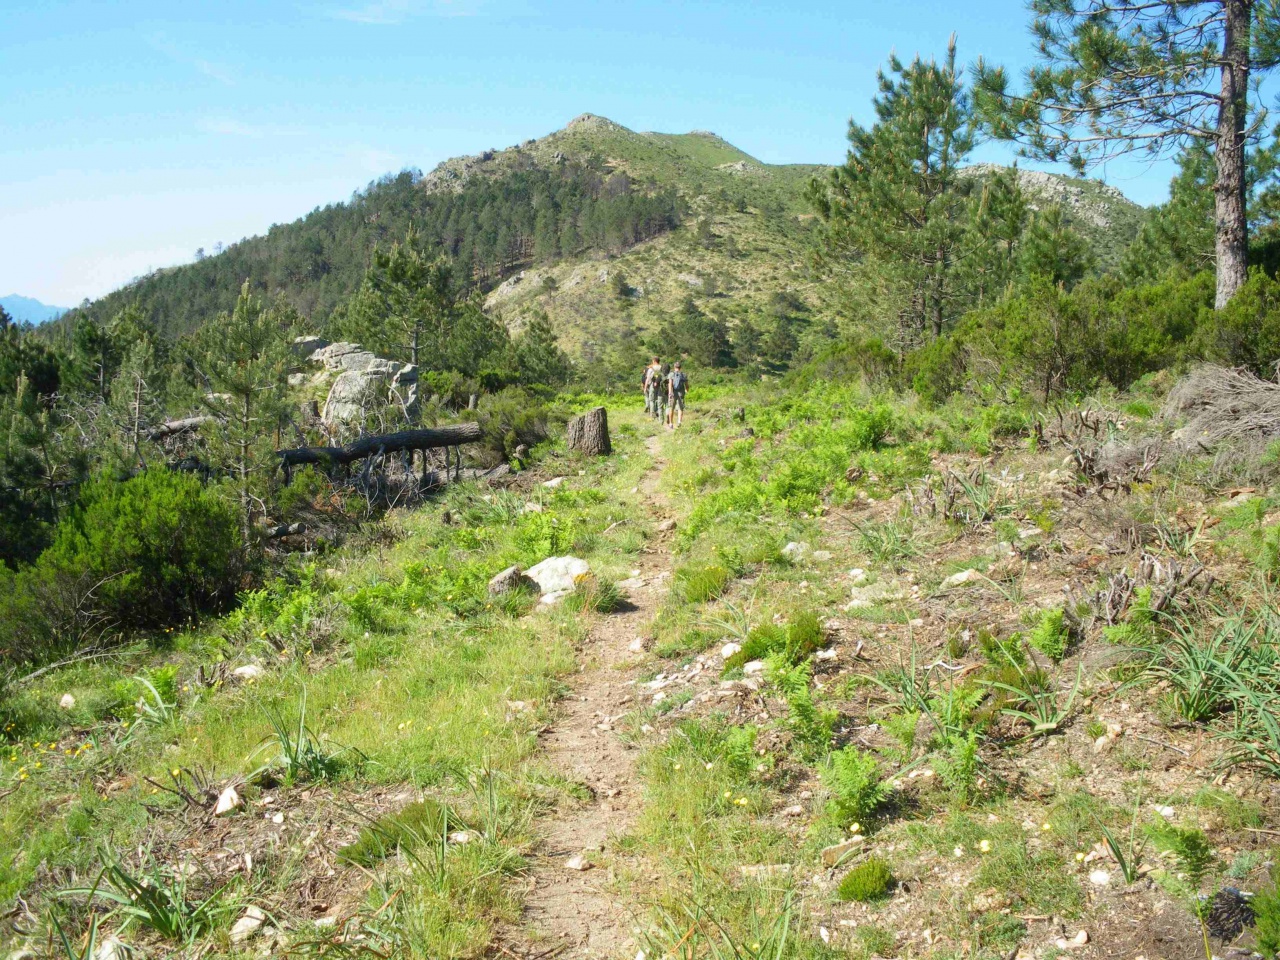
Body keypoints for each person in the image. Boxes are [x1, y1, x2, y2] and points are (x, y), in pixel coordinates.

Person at [666, 361, 689, 429]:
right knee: (680, 408)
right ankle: (679, 422)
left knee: (671, 408)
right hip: (681, 392)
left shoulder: (671, 374)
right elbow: (687, 385)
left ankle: (671, 423)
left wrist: (670, 392)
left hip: (673, 392)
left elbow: (670, 384)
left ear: (674, 367)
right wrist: (686, 390)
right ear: (680, 367)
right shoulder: (684, 375)